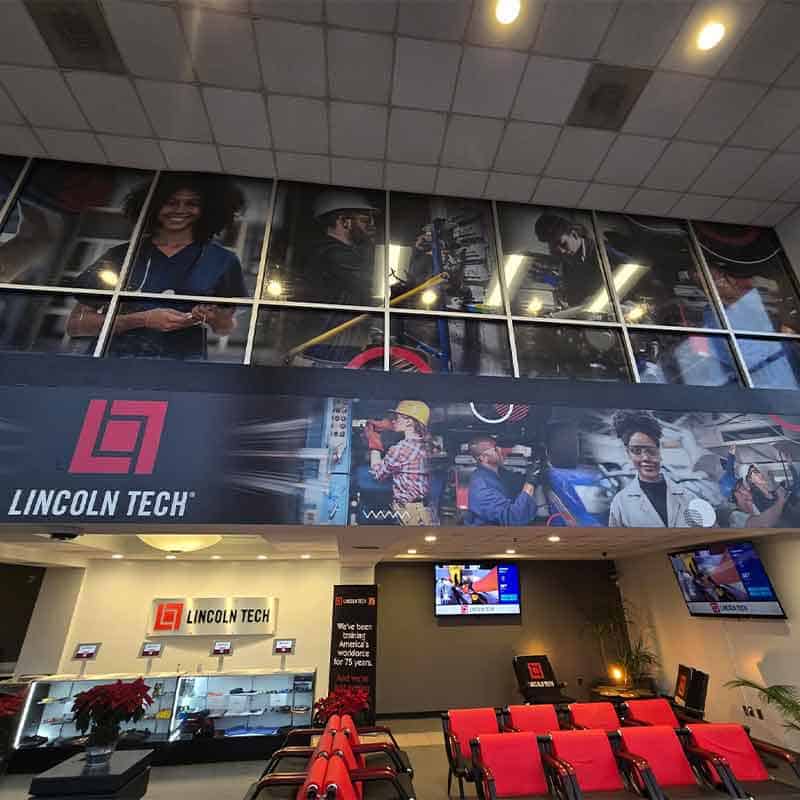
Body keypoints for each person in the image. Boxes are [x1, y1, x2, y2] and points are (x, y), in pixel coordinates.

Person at [67, 174, 247, 360]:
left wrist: (213, 317)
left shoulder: (223, 260)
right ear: (153, 206)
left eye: (192, 204)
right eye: (170, 202)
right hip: (114, 363)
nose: (180, 210)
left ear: (207, 209)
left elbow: (225, 328)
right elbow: (75, 325)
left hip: (180, 370)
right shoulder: (121, 255)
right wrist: (142, 320)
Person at [608, 411, 695, 528]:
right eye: (636, 451)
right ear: (628, 454)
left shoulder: (688, 497)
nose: (645, 458)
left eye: (650, 450)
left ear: (659, 451)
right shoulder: (620, 503)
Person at [301, 190, 380, 308]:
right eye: (365, 221)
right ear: (344, 222)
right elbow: (372, 285)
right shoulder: (333, 254)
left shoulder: (329, 251)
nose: (372, 225)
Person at [364, 401, 433, 526]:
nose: (393, 421)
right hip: (424, 510)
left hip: (409, 511)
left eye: (396, 418)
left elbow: (377, 473)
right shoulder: (429, 446)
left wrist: (374, 441)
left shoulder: (401, 449)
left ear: (409, 422)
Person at [464, 436, 539, 526]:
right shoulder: (482, 487)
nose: (501, 451)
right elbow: (513, 518)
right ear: (483, 458)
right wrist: (530, 483)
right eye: (495, 449)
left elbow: (517, 481)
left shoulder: (499, 473)